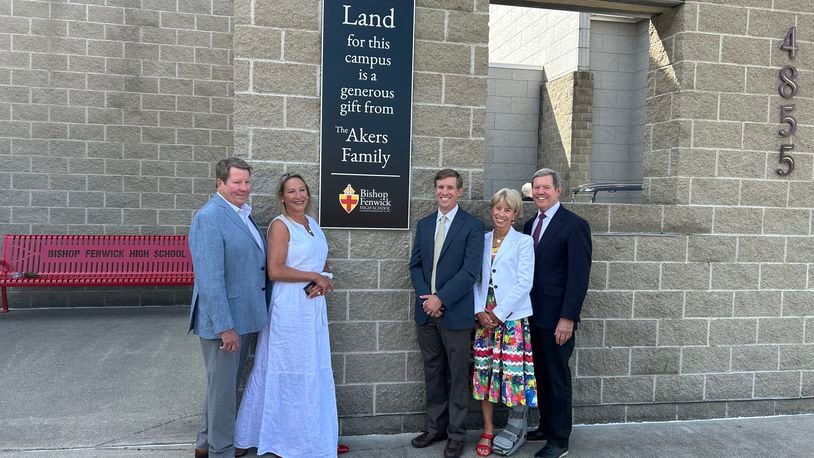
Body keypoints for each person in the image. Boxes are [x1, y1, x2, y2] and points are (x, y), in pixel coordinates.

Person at [234, 173, 338, 457]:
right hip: (288, 307)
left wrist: (324, 278)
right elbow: (275, 269)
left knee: (311, 369)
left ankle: (309, 437)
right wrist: (314, 276)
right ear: (282, 197)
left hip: (312, 306)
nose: (298, 196)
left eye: (302, 190)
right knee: (284, 369)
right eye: (291, 192)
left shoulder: (313, 224)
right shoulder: (281, 226)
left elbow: (322, 261)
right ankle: (262, 436)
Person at [188, 157, 270, 458]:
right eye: (237, 182)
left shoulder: (242, 214)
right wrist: (225, 327)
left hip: (245, 317)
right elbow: (209, 280)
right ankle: (220, 452)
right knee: (223, 395)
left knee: (221, 390)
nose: (243, 188)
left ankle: (203, 446)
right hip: (224, 324)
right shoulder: (209, 217)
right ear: (220, 183)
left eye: (247, 182)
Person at [409, 168, 484, 458]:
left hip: (455, 314)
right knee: (433, 372)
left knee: (457, 374)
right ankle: (435, 428)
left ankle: (456, 434)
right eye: (441, 187)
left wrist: (441, 299)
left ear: (460, 191)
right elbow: (415, 266)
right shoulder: (425, 224)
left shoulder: (472, 226)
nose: (445, 192)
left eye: (451, 187)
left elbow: (470, 272)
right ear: (435, 190)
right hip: (426, 312)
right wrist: (427, 299)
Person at [522, 168, 592, 458]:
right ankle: (546, 426)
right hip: (531, 316)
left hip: (557, 319)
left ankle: (559, 440)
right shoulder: (528, 226)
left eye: (545, 188)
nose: (540, 192)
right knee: (539, 375)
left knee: (556, 376)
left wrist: (568, 318)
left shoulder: (574, 225)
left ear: (558, 191)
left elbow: (578, 276)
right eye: (536, 188)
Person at [472, 188, 536, 457]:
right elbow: (474, 278)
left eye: (507, 210)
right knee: (484, 373)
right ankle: (488, 429)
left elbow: (524, 282)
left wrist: (498, 313)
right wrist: (479, 311)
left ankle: (515, 427)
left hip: (510, 320)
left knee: (512, 376)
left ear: (515, 214)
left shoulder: (523, 242)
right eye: (497, 208)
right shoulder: (482, 240)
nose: (501, 214)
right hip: (483, 320)